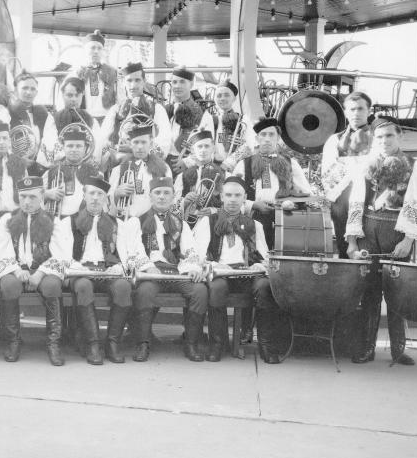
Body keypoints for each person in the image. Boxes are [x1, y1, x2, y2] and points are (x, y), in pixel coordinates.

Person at [344, 117, 417, 366]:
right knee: (369, 293)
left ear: (399, 137)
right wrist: (352, 243)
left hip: (397, 230)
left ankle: (398, 350)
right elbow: (356, 202)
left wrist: (409, 240)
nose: (384, 141)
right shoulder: (365, 165)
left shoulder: (414, 166)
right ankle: (367, 348)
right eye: (379, 137)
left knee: (397, 293)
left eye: (389, 136)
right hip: (369, 229)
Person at [192, 177, 286, 364]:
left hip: (246, 273)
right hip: (220, 272)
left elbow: (264, 255)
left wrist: (260, 265)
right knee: (216, 288)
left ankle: (265, 345)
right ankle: (218, 344)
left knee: (265, 286)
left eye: (237, 195)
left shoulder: (255, 225)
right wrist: (213, 265)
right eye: (228, 195)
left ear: (245, 198)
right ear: (221, 197)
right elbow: (199, 255)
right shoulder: (208, 222)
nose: (233, 199)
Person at [55, 174, 147, 364]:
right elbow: (62, 253)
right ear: (84, 195)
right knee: (83, 287)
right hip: (80, 271)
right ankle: (93, 345)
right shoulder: (68, 222)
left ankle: (112, 343)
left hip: (108, 270)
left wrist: (120, 268)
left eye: (100, 194)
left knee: (123, 287)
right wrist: (77, 267)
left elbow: (127, 253)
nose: (95, 198)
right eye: (91, 193)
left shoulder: (117, 224)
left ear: (106, 198)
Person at [0, 175, 70, 365]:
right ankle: (12, 340)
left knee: (52, 286)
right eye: (23, 196)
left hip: (43, 270)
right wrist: (17, 271)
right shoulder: (7, 220)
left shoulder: (55, 221)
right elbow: (0, 252)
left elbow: (62, 255)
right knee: (9, 285)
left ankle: (53, 342)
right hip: (15, 269)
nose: (27, 202)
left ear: (42, 196)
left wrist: (40, 273)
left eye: (32, 197)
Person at [129, 177, 209, 362]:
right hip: (152, 273)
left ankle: (190, 343)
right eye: (158, 193)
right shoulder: (138, 221)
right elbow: (134, 250)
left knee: (199, 291)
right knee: (145, 291)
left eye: (166, 193)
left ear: (173, 197)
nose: (162, 197)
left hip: (176, 272)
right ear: (150, 196)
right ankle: (143, 343)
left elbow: (190, 249)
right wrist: (148, 268)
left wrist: (192, 268)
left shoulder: (180, 223)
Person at [235, 117, 312, 249]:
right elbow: (232, 195)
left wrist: (291, 202)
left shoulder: (290, 163)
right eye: (263, 135)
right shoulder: (243, 165)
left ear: (278, 139)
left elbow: (306, 193)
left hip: (285, 218)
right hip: (253, 218)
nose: (267, 139)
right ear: (257, 138)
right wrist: (253, 205)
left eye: (271, 135)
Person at [322, 91, 374, 258]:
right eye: (352, 109)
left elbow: (378, 165)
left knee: (369, 247)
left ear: (369, 111)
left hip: (370, 196)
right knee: (346, 249)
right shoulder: (334, 141)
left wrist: (350, 164)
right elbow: (328, 173)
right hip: (342, 199)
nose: (356, 113)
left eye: (360, 109)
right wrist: (359, 166)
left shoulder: (378, 139)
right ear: (345, 112)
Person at [100, 62, 172, 165]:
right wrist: (113, 151)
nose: (133, 85)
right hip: (120, 165)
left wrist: (135, 149)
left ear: (144, 81)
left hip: (146, 166)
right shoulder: (115, 110)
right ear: (124, 82)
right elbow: (103, 140)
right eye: (129, 80)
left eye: (137, 80)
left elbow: (164, 142)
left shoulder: (156, 109)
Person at [108, 125, 171, 219]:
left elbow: (170, 197)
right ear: (130, 144)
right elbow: (109, 205)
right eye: (136, 142)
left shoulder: (164, 168)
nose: (140, 147)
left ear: (151, 144)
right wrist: (116, 194)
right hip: (127, 221)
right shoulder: (119, 169)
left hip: (154, 221)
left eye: (144, 142)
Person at [164, 67, 214, 173]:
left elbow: (209, 146)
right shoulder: (166, 110)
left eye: (182, 82)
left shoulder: (203, 114)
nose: (177, 86)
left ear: (191, 84)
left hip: (189, 167)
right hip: (164, 164)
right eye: (174, 82)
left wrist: (187, 162)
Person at [43, 125, 98, 218]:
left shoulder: (95, 174)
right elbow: (34, 196)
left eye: (78, 146)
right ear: (63, 148)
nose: (74, 149)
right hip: (58, 222)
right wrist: (47, 194)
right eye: (70, 146)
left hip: (84, 223)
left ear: (85, 149)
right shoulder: (50, 173)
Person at [6, 71, 57, 166]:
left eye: (32, 89)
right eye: (25, 88)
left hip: (39, 165)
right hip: (12, 165)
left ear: (36, 93)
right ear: (16, 90)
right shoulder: (6, 113)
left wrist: (38, 163)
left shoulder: (45, 115)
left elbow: (50, 140)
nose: (29, 92)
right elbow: (2, 141)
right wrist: (18, 161)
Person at [174, 131, 225, 224]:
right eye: (199, 146)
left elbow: (235, 206)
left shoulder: (223, 175)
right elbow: (172, 207)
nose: (203, 150)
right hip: (188, 225)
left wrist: (214, 211)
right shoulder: (182, 177)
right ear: (193, 150)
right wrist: (184, 201)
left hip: (213, 225)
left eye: (207, 146)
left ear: (213, 148)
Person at [69, 30, 117, 120]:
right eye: (92, 48)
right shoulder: (77, 73)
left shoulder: (111, 72)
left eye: (99, 48)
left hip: (107, 119)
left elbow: (119, 97)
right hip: (84, 118)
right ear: (85, 50)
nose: (96, 51)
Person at [209, 81, 245, 163]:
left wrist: (243, 144)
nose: (222, 98)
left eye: (227, 95)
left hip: (233, 165)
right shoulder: (209, 120)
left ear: (234, 98)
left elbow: (250, 147)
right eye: (219, 95)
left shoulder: (243, 120)